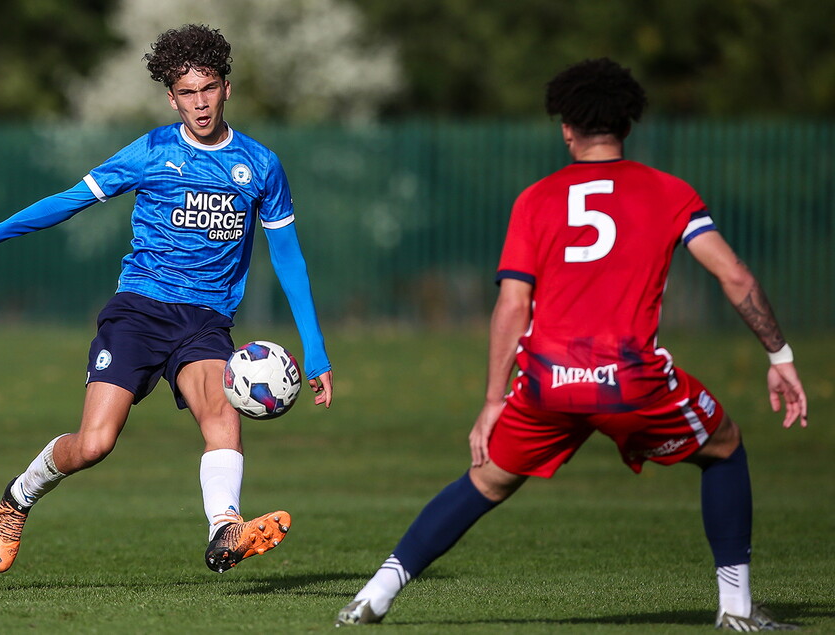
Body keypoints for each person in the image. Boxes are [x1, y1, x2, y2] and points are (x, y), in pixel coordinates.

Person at [335, 58, 807, 631]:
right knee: (725, 447)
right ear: (628, 124)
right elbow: (734, 276)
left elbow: (512, 305)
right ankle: (735, 610)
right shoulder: (670, 192)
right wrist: (779, 357)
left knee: (485, 481)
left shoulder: (536, 199)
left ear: (566, 127)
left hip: (547, 382)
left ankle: (373, 596)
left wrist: (491, 400)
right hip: (630, 380)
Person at [0, 24, 333, 576]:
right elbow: (72, 199)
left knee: (220, 415)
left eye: (209, 88)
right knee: (96, 443)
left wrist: (315, 352)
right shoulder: (151, 151)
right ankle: (18, 498)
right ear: (170, 97)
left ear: (228, 89)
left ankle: (225, 530)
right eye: (187, 92)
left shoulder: (261, 165)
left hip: (205, 322)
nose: (199, 103)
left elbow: (289, 260)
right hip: (140, 311)